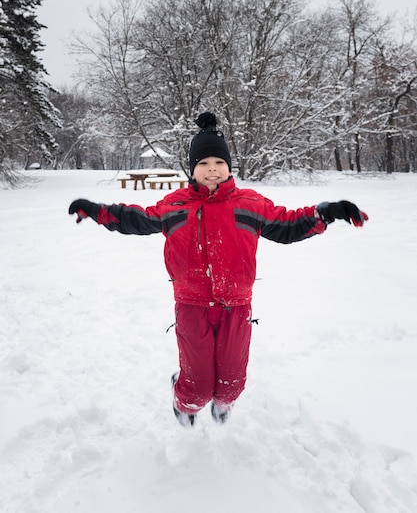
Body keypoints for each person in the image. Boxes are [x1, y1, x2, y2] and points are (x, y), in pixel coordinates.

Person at [69, 112, 368, 428]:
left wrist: (327, 213)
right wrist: (98, 211)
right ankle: (185, 402)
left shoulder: (250, 204)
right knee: (197, 387)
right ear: (192, 170)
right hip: (191, 307)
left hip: (237, 308)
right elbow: (136, 219)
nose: (211, 169)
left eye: (218, 163)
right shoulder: (175, 205)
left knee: (232, 383)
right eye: (203, 163)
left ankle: (224, 403)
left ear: (228, 167)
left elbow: (288, 225)